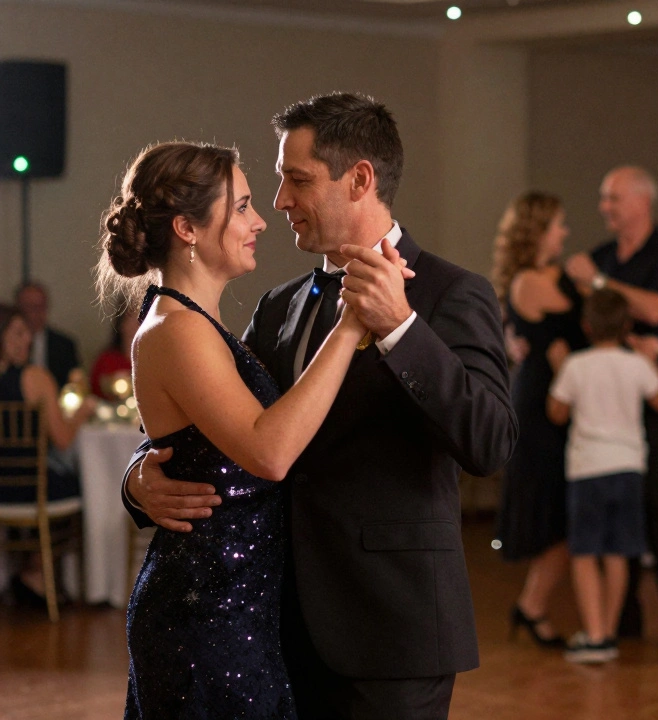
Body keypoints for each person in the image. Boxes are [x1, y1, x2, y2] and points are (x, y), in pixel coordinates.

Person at [119, 94, 516, 719]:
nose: (280, 203)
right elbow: (217, 422)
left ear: (359, 179)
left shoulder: (452, 293)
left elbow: (490, 443)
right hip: (273, 627)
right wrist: (139, 476)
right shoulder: (279, 305)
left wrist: (401, 330)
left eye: (296, 180)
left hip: (391, 630)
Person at [563, 165, 658, 649]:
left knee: (656, 501)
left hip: (656, 396)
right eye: (604, 199)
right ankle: (622, 619)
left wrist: (599, 282)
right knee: (611, 503)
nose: (604, 207)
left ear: (642, 202)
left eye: (613, 198)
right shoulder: (602, 255)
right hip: (604, 401)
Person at [547, 289, 658, 663]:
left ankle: (595, 633)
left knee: (585, 552)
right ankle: (610, 632)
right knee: (619, 552)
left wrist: (559, 368)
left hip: (587, 468)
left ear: (586, 325)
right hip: (629, 468)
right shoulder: (635, 364)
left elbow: (557, 412)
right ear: (626, 326)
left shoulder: (576, 364)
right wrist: (651, 359)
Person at [491, 190, 585, 648]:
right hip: (543, 408)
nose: (565, 232)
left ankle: (531, 607)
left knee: (563, 518)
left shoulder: (557, 277)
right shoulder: (533, 281)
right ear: (539, 231)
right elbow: (586, 323)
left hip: (565, 404)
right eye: (558, 225)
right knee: (557, 517)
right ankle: (531, 608)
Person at [0, 305, 96, 607]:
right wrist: (83, 412)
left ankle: (30, 574)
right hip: (31, 488)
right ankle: (39, 574)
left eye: (27, 333)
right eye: (17, 333)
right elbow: (64, 440)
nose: (27, 339)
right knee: (79, 484)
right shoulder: (35, 378)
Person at [14, 281, 81, 387]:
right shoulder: (10, 344)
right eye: (29, 307)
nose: (34, 313)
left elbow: (74, 382)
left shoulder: (64, 345)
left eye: (39, 307)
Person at [89, 308, 140, 399]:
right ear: (121, 323)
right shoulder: (106, 360)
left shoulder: (155, 361)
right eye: (131, 318)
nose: (136, 324)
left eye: (141, 318)